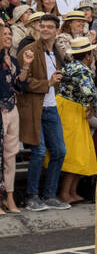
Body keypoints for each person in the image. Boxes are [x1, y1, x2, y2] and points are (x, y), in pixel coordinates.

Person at [16, 13, 68, 210]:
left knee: (59, 151)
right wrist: (48, 83)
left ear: (57, 30)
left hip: (51, 107)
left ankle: (49, 195)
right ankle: (32, 196)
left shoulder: (56, 52)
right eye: (42, 26)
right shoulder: (28, 50)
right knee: (38, 152)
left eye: (49, 26)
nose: (45, 29)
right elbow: (21, 82)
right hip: (32, 109)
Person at [55, 36, 97, 205]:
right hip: (72, 111)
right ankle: (65, 193)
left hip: (69, 108)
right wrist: (93, 106)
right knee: (76, 155)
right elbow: (88, 92)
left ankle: (71, 192)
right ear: (88, 56)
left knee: (79, 154)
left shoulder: (71, 66)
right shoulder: (82, 70)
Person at [0, 21, 21, 212]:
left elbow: (20, 86)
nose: (7, 36)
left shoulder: (14, 61)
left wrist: (27, 67)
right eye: (3, 33)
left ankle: (10, 197)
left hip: (13, 108)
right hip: (0, 108)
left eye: (9, 34)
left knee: (11, 156)